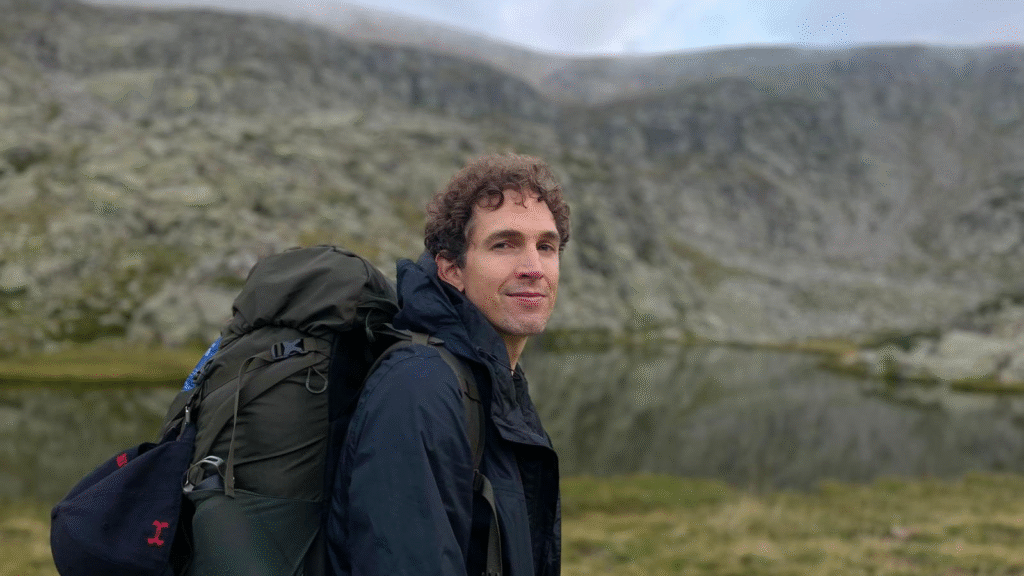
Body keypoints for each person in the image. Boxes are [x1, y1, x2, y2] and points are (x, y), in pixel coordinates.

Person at [325, 153, 569, 576]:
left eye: (545, 246)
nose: (533, 268)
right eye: (504, 244)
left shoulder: (494, 378)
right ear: (451, 269)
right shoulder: (419, 386)